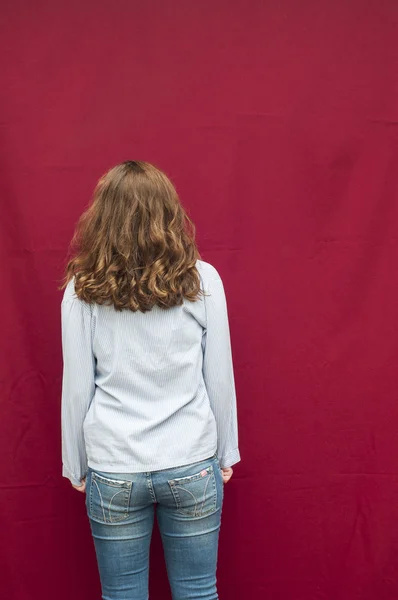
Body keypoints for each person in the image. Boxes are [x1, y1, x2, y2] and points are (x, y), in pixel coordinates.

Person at [59, 160, 241, 600]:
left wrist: (75, 462)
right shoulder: (203, 281)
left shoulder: (83, 288)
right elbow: (219, 376)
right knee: (199, 592)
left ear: (102, 217)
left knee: (121, 596)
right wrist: (225, 453)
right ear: (168, 212)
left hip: (114, 465)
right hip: (191, 459)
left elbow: (77, 386)